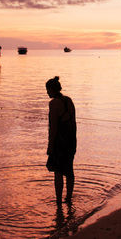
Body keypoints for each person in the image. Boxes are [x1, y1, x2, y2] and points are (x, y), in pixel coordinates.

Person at [45, 76, 77, 204]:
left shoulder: (53, 104)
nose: (47, 93)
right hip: (71, 140)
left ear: (52, 90)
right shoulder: (69, 100)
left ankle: (58, 201)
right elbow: (73, 122)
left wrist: (50, 146)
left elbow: (53, 128)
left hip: (60, 142)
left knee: (58, 172)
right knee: (69, 170)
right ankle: (68, 198)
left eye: (47, 90)